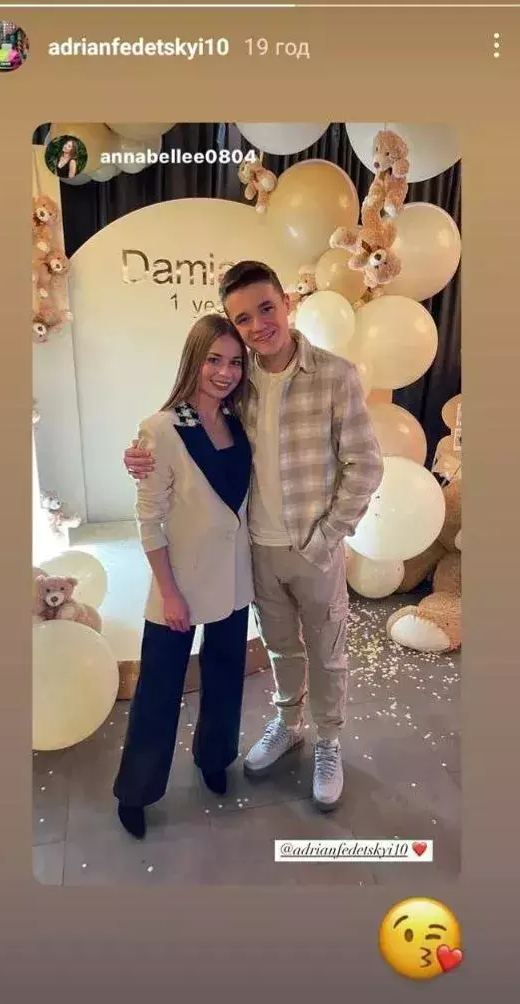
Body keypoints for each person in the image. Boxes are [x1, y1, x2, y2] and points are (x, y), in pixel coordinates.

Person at [124, 261, 384, 812]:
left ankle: (328, 741)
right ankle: (289, 723)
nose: (257, 325)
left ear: (286, 303)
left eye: (266, 308)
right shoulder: (240, 387)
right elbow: (183, 426)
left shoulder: (334, 375)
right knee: (281, 647)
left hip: (314, 549)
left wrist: (327, 537)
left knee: (328, 651)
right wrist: (139, 454)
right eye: (242, 319)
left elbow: (365, 466)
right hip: (255, 555)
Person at [114, 313, 254, 840]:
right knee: (158, 688)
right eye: (214, 359)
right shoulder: (161, 428)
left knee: (225, 677)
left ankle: (214, 757)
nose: (225, 372)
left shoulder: (240, 422)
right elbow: (149, 520)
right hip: (180, 584)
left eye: (235, 362)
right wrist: (169, 593)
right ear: (194, 360)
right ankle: (136, 790)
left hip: (233, 579)